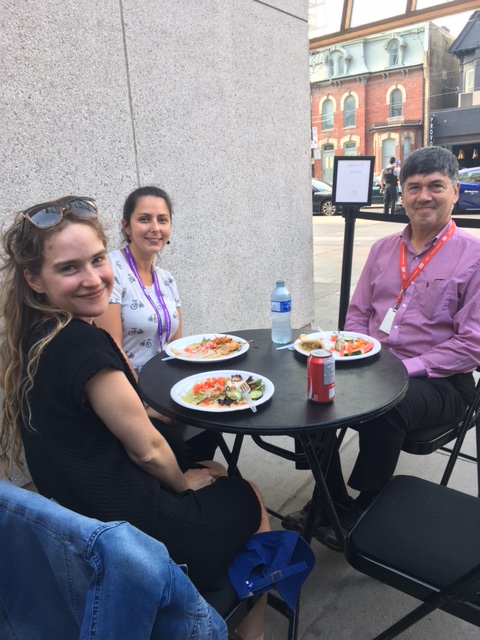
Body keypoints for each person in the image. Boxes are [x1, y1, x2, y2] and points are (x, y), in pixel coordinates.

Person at [0, 196, 268, 640]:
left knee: (215, 469)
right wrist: (182, 483)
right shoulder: (83, 345)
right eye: (69, 268)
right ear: (35, 280)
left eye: (97, 260)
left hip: (85, 524)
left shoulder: (36, 338)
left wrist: (151, 417)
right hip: (137, 538)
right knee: (248, 492)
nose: (92, 279)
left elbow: (99, 413)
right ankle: (243, 629)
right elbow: (146, 448)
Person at [283, 146, 480, 550]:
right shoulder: (383, 249)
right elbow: (357, 313)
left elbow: (472, 346)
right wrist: (352, 354)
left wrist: (402, 369)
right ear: (402, 194)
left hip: (442, 382)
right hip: (373, 364)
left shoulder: (474, 256)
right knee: (309, 389)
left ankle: (370, 503)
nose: (424, 196)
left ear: (455, 192)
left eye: (435, 186)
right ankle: (333, 501)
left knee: (387, 402)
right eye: (414, 187)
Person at [95, 186, 217, 462]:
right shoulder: (112, 272)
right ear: (126, 226)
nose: (155, 228)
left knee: (211, 423)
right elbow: (111, 350)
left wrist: (191, 393)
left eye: (162, 220)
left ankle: (197, 489)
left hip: (166, 389)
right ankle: (179, 491)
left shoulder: (167, 279)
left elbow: (178, 347)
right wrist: (148, 405)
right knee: (177, 450)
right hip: (131, 397)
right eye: (144, 219)